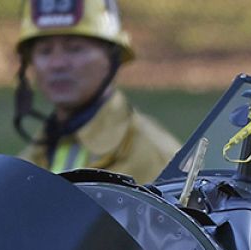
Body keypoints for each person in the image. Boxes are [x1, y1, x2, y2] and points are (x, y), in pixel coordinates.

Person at [14, 0, 180, 183]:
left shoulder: (158, 158)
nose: (57, 64)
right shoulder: (34, 155)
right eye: (45, 51)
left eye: (74, 49)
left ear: (112, 58)